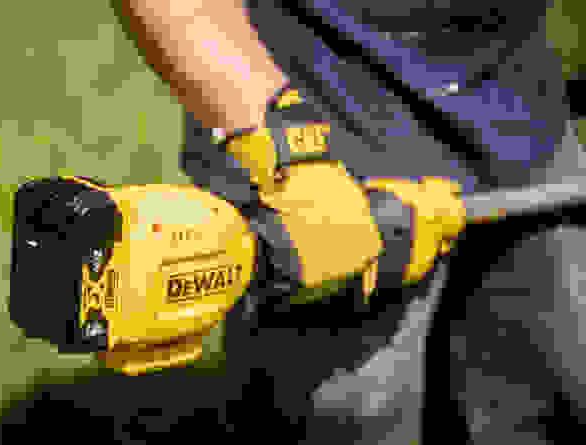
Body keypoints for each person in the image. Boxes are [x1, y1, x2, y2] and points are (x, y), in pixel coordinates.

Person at [112, 1, 585, 443]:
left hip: (521, 121)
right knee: (354, 416)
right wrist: (293, 160)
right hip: (318, 142)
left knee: (550, 393)